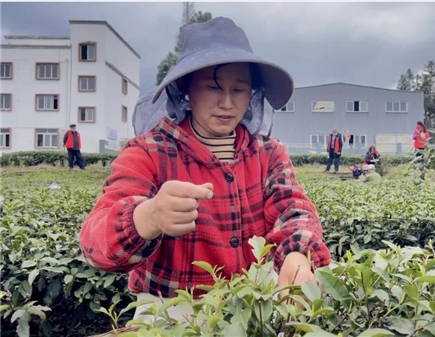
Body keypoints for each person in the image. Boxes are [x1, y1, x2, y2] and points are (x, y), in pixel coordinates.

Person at [78, 17, 331, 322]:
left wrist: (297, 255)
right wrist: (148, 216)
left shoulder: (268, 154)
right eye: (213, 87)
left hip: (254, 306)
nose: (226, 102)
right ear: (186, 89)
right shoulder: (148, 152)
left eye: (238, 90)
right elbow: (96, 244)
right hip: (170, 313)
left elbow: (294, 210)